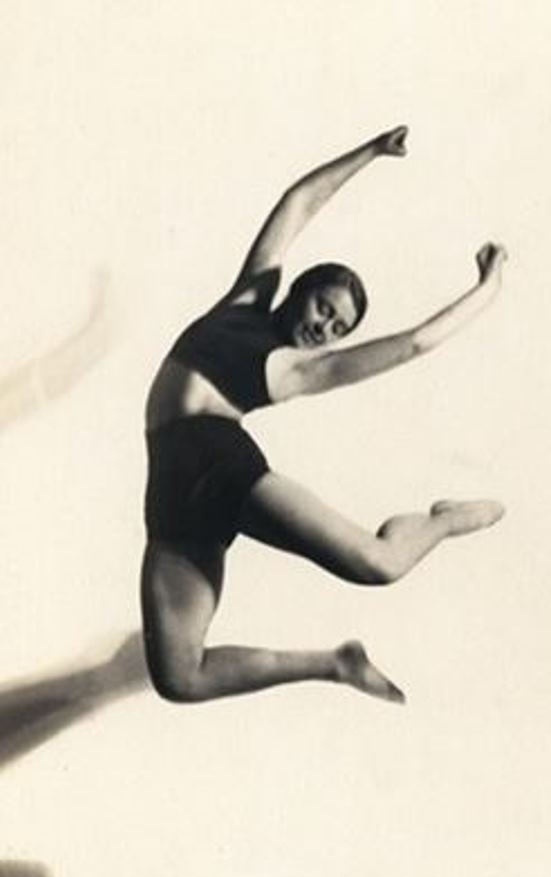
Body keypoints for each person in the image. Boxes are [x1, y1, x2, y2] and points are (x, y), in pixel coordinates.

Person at [141, 126, 506, 706]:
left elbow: (414, 343)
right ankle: (335, 663)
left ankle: (444, 520)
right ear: (300, 289)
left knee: (379, 564)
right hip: (169, 488)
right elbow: (298, 204)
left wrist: (489, 288)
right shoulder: (247, 300)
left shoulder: (299, 370)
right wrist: (370, 152)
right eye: (324, 308)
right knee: (179, 677)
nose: (324, 328)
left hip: (218, 466)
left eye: (338, 329)